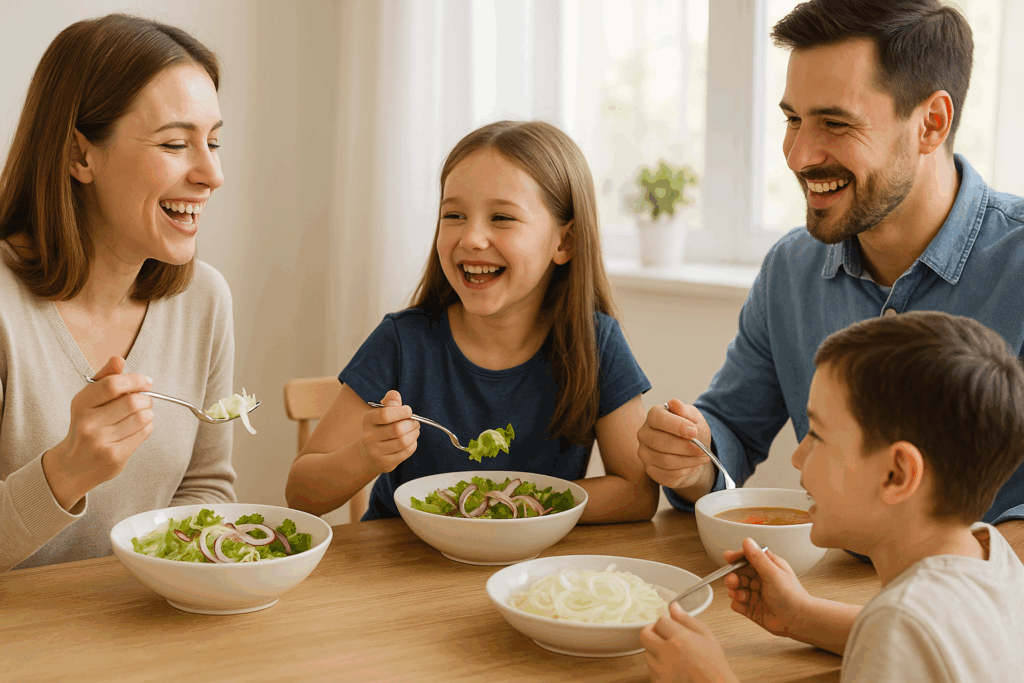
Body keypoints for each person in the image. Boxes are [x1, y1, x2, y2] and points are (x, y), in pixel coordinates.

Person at [636, 0, 1024, 558]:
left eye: (835, 123)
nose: (797, 156)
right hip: (829, 597)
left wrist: (924, 583)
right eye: (793, 119)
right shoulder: (790, 271)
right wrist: (694, 456)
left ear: (931, 123)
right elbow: (731, 435)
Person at [286, 120, 659, 522]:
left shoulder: (595, 343)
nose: (471, 238)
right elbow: (302, 494)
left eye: (501, 218)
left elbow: (636, 492)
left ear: (563, 242)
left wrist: (514, 509)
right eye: (454, 215)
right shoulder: (401, 342)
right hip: (399, 570)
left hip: (527, 575)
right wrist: (364, 455)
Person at [641, 311, 1024, 682]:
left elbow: (907, 632)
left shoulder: (901, 625)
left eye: (818, 436)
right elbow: (932, 638)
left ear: (897, 474)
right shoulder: (993, 555)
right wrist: (801, 615)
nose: (796, 456)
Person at [0, 14, 236, 572]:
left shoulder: (204, 300)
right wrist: (64, 474)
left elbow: (206, 490)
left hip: (148, 630)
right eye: (176, 143)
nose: (212, 173)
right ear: (80, 155)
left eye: (214, 141)